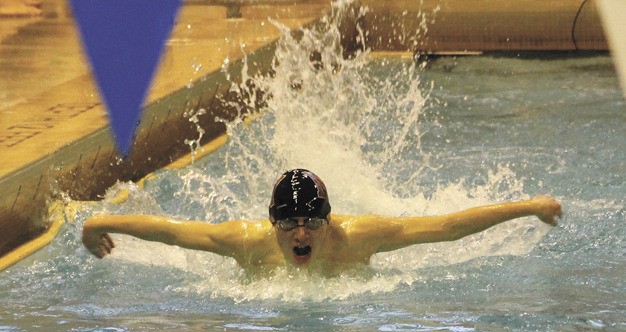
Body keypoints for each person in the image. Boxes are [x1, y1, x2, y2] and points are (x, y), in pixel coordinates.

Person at [83, 169, 562, 276]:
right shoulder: (245, 241)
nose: (300, 233)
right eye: (289, 223)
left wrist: (528, 206)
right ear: (271, 223)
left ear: (328, 220)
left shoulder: (359, 237)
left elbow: (446, 227)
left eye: (312, 221)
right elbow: (169, 231)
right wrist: (98, 223)